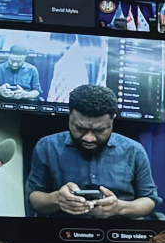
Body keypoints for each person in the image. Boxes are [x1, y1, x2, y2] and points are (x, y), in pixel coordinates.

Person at [23, 82, 157, 220]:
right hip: (63, 234)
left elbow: (149, 200)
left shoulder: (134, 150)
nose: (89, 138)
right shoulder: (47, 146)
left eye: (99, 130)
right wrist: (57, 199)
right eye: (80, 128)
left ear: (112, 120)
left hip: (118, 234)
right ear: (70, 116)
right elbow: (34, 199)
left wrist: (119, 207)